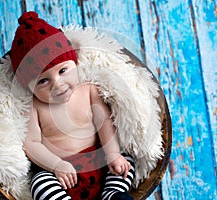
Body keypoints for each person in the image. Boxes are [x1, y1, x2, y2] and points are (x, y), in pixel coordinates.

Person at [10, 11, 135, 200]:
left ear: (75, 62)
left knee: (126, 161)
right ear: (28, 85)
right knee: (40, 182)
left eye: (62, 70)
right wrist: (56, 165)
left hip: (100, 162)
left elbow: (105, 123)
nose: (57, 84)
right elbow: (31, 144)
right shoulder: (34, 106)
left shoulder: (89, 90)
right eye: (43, 81)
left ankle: (112, 195)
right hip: (61, 176)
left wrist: (113, 154)